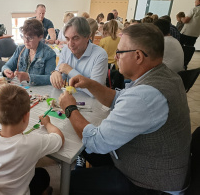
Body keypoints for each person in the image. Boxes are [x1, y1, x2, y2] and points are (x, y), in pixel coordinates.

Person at [59, 23, 191, 195]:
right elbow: (118, 99)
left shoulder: (145, 96)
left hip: (151, 184)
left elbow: (97, 142)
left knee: (68, 181)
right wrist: (91, 84)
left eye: (120, 52)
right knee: (83, 148)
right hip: (153, 164)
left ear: (138, 56)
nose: (116, 56)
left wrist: (70, 108)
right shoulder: (164, 75)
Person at [0, 84, 64, 195]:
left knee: (39, 174)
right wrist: (48, 123)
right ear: (26, 117)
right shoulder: (33, 142)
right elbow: (59, 138)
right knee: (43, 175)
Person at [50, 17, 108, 97]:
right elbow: (60, 74)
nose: (70, 44)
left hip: (93, 104)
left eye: (75, 38)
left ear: (87, 37)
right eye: (67, 39)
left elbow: (95, 92)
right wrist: (55, 74)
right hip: (70, 99)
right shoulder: (66, 50)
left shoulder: (100, 55)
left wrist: (70, 71)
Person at [2, 19, 56, 86]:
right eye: (24, 37)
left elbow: (51, 78)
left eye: (30, 38)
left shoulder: (49, 54)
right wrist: (6, 71)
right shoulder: (20, 49)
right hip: (22, 88)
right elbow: (7, 66)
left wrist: (29, 77)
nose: (26, 41)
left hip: (39, 91)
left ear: (40, 37)